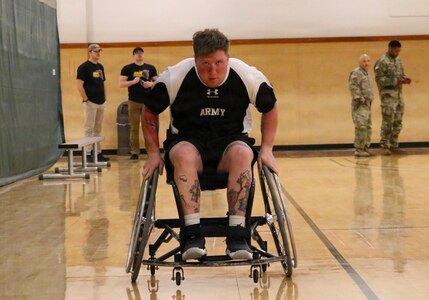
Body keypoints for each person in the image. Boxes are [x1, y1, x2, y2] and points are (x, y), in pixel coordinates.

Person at [141, 29, 279, 261]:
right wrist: (154, 153)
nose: (212, 71)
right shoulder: (176, 76)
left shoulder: (246, 75)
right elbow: (149, 111)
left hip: (229, 143)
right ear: (195, 60)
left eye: (218, 62)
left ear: (227, 58)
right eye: (205, 63)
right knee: (184, 154)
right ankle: (192, 235)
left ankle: (238, 236)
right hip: (188, 142)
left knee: (244, 154)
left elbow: (270, 107)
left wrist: (267, 149)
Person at [119, 47, 158, 160]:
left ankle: (150, 151)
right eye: (137, 53)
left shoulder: (150, 68)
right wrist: (132, 82)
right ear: (134, 55)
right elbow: (121, 83)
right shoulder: (128, 68)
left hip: (148, 102)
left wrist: (151, 84)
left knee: (149, 127)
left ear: (143, 55)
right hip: (134, 102)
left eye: (141, 53)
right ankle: (135, 152)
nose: (139, 55)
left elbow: (158, 81)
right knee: (134, 128)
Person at [374, 40, 411, 156]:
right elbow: (380, 80)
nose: (397, 53)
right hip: (388, 97)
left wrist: (405, 79)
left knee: (398, 121)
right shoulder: (382, 62)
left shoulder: (398, 61)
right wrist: (396, 81)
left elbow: (401, 74)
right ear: (390, 48)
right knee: (388, 122)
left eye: (399, 51)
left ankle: (394, 145)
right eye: (396, 50)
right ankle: (384, 146)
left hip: (399, 96)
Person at [76, 43, 110, 162]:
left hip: (101, 102)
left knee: (98, 129)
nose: (98, 53)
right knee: (88, 128)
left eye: (99, 51)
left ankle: (97, 153)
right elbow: (79, 85)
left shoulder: (100, 67)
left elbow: (103, 83)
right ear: (90, 52)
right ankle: (87, 153)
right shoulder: (84, 67)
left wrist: (105, 97)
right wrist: (86, 99)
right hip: (90, 102)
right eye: (96, 51)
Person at [348, 54, 374, 157]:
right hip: (360, 105)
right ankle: (359, 149)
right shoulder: (356, 73)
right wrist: (359, 98)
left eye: (368, 60)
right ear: (360, 62)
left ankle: (365, 148)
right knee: (361, 126)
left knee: (367, 127)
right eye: (364, 61)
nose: (366, 63)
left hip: (367, 105)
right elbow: (353, 86)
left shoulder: (366, 73)